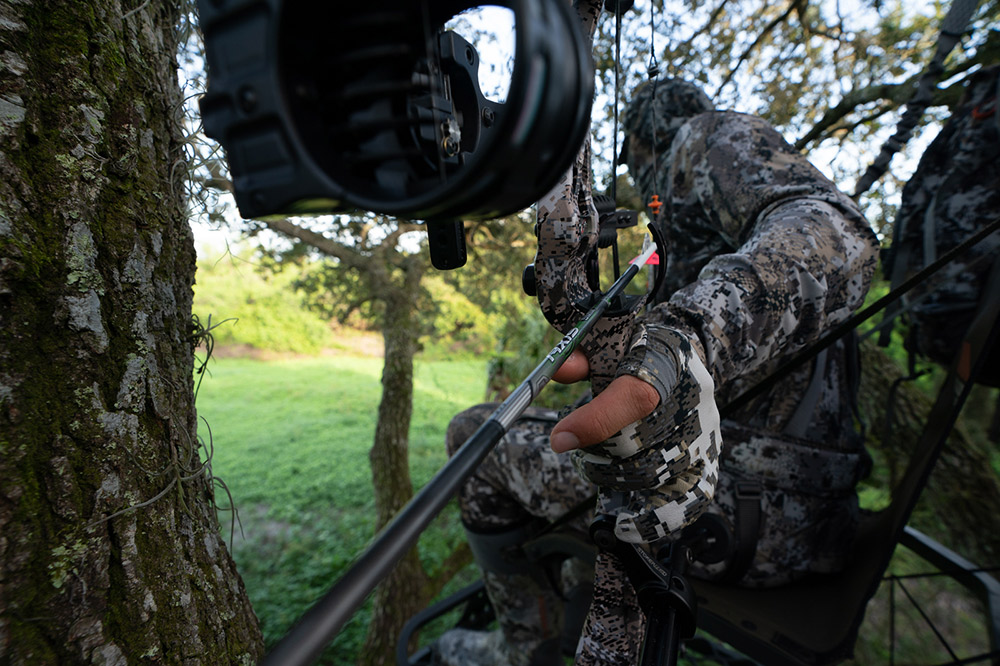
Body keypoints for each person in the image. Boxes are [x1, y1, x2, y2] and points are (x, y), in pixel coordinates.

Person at [432, 74, 879, 666]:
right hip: (815, 527)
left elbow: (839, 235)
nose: (642, 182)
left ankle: (518, 646)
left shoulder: (704, 136)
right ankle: (567, 602)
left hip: (734, 511)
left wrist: (682, 339)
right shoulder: (717, 215)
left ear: (646, 136)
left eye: (632, 158)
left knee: (473, 436)